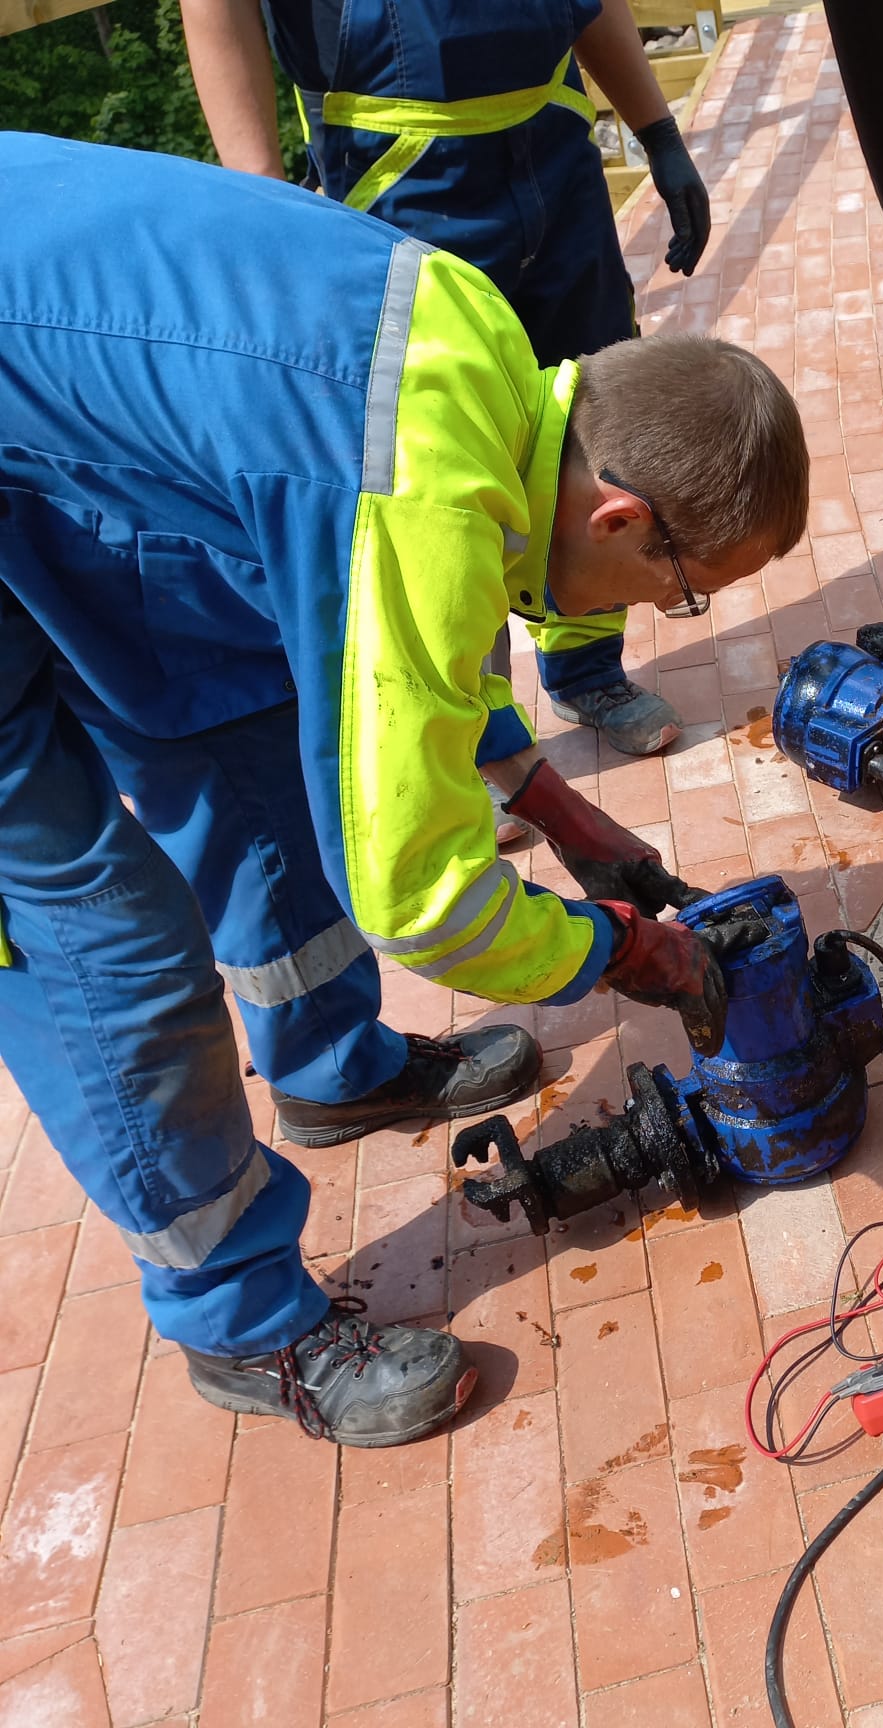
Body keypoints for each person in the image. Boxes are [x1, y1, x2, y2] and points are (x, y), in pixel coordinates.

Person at [0, 132, 807, 1445]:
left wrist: (563, 814)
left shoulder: (480, 360)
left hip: (51, 444)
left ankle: (333, 1072)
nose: (671, 614)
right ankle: (243, 1326)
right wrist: (607, 951)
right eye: (684, 589)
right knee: (104, 944)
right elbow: (419, 894)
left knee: (247, 718)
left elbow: (402, 637)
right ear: (618, 520)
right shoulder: (421, 492)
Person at [181, 0, 714, 762]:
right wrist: (265, 199)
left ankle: (587, 670)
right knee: (442, 461)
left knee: (592, 424)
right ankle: (471, 737)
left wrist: (657, 132)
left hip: (555, 144)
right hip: (401, 166)